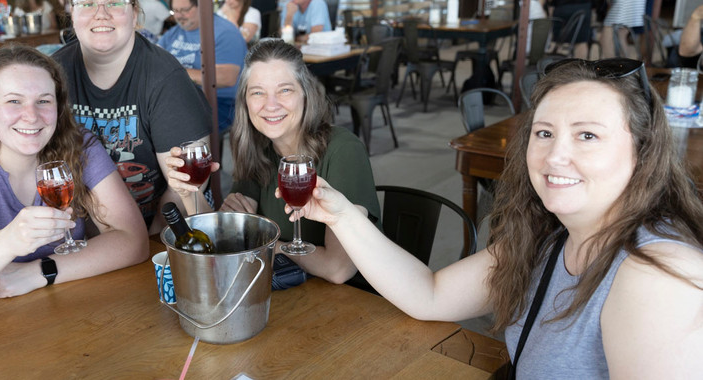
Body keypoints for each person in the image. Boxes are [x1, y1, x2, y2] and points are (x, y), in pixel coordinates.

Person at [290, 59, 703, 377]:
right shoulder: (552, 236)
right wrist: (341, 216)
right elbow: (429, 294)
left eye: (587, 135)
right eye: (544, 133)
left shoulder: (657, 274)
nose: (555, 156)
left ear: (643, 151)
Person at [0, 46, 147, 320]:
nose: (31, 116)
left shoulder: (81, 147)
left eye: (44, 101)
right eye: (14, 101)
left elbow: (133, 241)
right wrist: (8, 242)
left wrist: (40, 271)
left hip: (71, 319)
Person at [166, 39, 381, 288]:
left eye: (285, 90)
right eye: (257, 92)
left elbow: (337, 269)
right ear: (245, 101)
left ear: (306, 93)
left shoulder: (343, 150)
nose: (271, 105)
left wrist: (262, 241)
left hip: (358, 301)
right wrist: (189, 193)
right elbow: (226, 241)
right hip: (292, 294)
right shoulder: (257, 149)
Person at [51, 0, 213, 234]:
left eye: (114, 3)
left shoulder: (165, 77)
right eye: (87, 3)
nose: (101, 14)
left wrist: (145, 243)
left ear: (135, 14)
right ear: (71, 13)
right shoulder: (52, 75)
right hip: (73, 235)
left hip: (155, 228)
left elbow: (183, 187)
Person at [159, 0, 247, 134]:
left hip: (220, 102)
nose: (179, 16)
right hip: (179, 99)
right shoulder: (173, 33)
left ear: (202, 7)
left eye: (185, 10)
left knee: (174, 129)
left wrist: (175, 72)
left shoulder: (225, 32)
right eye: (175, 11)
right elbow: (154, 61)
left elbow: (226, 78)